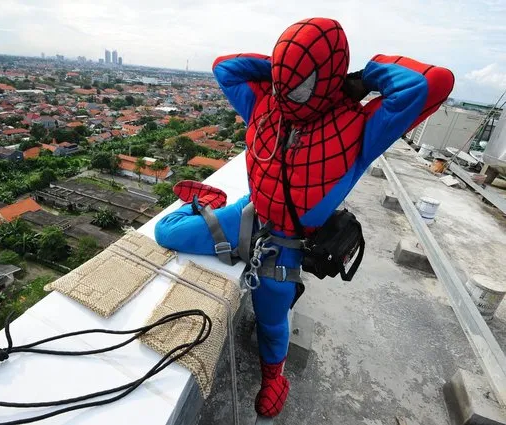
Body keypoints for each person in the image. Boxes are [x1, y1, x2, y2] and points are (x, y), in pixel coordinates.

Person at [155, 17, 454, 418]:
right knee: (165, 232)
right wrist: (281, 72)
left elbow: (431, 82)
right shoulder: (266, 105)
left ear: (330, 78)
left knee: (272, 317)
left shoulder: (360, 127)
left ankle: (274, 378)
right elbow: (225, 67)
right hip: (247, 212)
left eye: (302, 84)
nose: (291, 95)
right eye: (284, 83)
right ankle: (208, 199)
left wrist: (364, 78)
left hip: (287, 244)